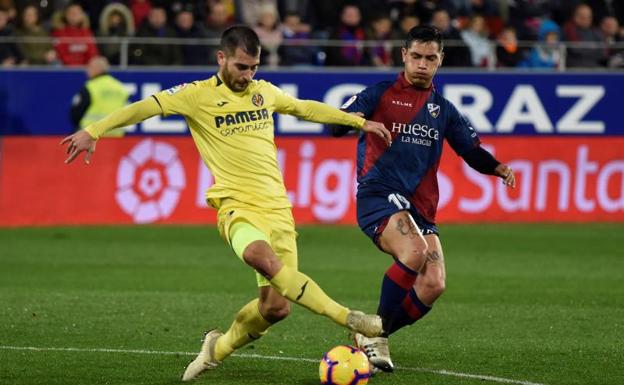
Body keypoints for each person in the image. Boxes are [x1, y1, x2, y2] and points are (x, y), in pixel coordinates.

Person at [60, 25, 392, 382]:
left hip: (278, 209)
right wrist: (93, 130)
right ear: (221, 58)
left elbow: (305, 109)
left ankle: (215, 349)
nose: (248, 76)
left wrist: (358, 121)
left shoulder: (263, 92)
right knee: (258, 256)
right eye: (240, 67)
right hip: (236, 206)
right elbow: (144, 108)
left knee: (275, 307)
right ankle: (352, 320)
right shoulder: (196, 95)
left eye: (254, 67)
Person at [330, 25, 516, 373]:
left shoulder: (442, 109)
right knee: (413, 252)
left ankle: (373, 333)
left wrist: (498, 167)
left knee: (434, 284)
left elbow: (470, 150)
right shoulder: (380, 93)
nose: (422, 64)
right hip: (378, 195)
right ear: (404, 55)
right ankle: (378, 336)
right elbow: (336, 124)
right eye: (416, 56)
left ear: (440, 60)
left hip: (421, 208)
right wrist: (355, 122)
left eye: (430, 58)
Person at [70, 56, 129, 137]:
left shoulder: (90, 87)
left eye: (89, 67)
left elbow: (76, 113)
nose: (87, 70)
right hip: (116, 136)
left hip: (92, 135)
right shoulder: (120, 87)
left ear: (97, 68)